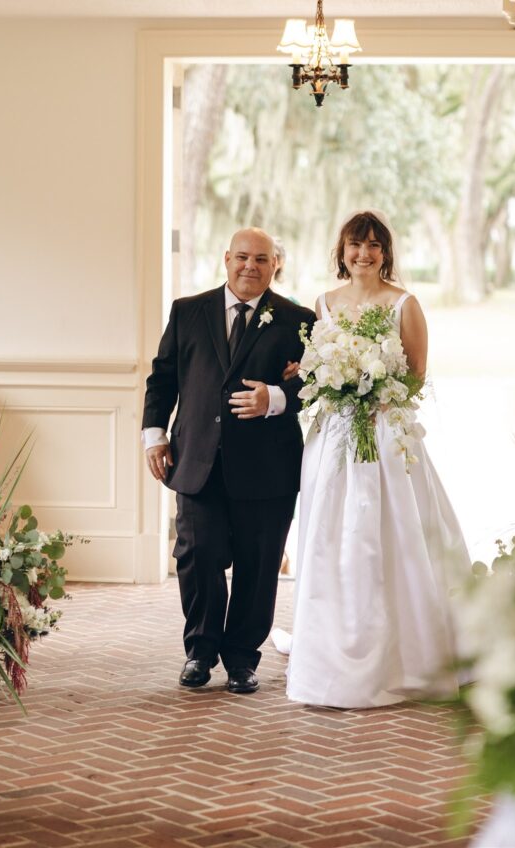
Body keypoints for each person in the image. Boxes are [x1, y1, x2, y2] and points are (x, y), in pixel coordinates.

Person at [285, 210, 472, 708]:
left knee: (395, 534)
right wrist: (336, 380)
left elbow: (415, 375)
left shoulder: (404, 304)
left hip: (388, 434)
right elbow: (310, 367)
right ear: (341, 252)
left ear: (385, 252)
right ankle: (333, 649)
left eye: (373, 245)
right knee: (333, 535)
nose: (363, 254)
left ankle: (410, 651)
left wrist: (375, 392)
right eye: (354, 245)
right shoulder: (323, 304)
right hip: (335, 437)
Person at [142, 228, 316, 695]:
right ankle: (200, 651)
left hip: (268, 467)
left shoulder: (298, 319)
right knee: (196, 556)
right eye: (242, 257)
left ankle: (242, 659)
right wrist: (154, 436)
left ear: (275, 264)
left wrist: (276, 396)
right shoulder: (187, 312)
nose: (250, 266)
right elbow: (162, 380)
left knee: (258, 566)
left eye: (261, 259)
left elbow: (319, 383)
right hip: (196, 459)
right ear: (226, 259)